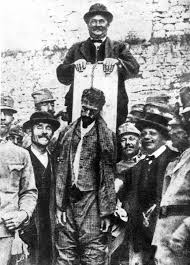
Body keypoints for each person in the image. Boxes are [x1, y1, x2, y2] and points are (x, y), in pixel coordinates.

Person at [55, 87, 117, 265]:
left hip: (91, 201)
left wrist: (106, 212)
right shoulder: (66, 133)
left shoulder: (106, 136)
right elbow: (59, 170)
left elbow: (108, 175)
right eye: (84, 108)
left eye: (92, 110)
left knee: (93, 253)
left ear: (100, 110)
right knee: (65, 251)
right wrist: (60, 206)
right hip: (68, 199)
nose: (87, 113)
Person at [56, 3, 139, 127]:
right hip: (80, 107)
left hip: (113, 106)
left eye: (101, 21)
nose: (97, 25)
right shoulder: (76, 48)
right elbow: (62, 76)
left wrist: (118, 62)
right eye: (93, 21)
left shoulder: (119, 47)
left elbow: (134, 68)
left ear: (108, 24)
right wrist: (73, 66)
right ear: (88, 24)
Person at [125, 112, 178, 265]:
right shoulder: (139, 165)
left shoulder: (174, 159)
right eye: (143, 134)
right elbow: (124, 180)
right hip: (142, 233)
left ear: (163, 138)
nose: (147, 137)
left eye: (152, 133)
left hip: (165, 231)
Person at [0, 92, 38, 265]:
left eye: (6, 113)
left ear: (12, 118)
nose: (1, 118)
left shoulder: (21, 154)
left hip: (6, 232)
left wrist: (23, 214)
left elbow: (29, 191)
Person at [22, 111, 60, 265]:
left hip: (50, 228)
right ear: (30, 131)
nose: (44, 132)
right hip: (27, 228)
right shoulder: (22, 157)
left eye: (48, 128)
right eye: (39, 127)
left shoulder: (55, 161)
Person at [153, 116, 190, 265]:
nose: (170, 132)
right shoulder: (177, 160)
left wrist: (186, 229)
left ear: (187, 132)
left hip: (181, 235)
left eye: (175, 128)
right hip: (166, 233)